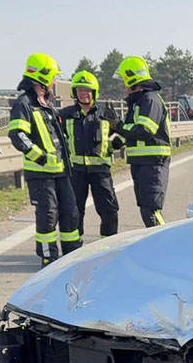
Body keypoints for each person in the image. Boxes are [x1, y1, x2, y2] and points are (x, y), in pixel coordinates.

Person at [8, 53, 81, 266]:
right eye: (53, 78)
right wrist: (40, 157)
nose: (55, 82)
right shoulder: (24, 104)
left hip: (60, 171)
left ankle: (72, 255)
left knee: (70, 212)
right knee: (48, 215)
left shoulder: (46, 104)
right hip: (41, 174)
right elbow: (17, 135)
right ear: (43, 78)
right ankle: (49, 258)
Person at [59, 71, 120, 238]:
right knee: (74, 211)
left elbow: (123, 131)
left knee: (109, 210)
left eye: (87, 90)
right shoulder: (65, 115)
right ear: (74, 92)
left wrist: (117, 142)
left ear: (94, 92)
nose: (83, 94)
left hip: (101, 171)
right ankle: (74, 248)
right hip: (76, 172)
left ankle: (107, 246)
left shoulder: (106, 113)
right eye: (80, 90)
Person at [113, 56, 171, 227]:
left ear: (132, 79)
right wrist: (117, 141)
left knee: (151, 211)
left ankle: (163, 245)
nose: (124, 86)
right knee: (146, 209)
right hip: (142, 163)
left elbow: (145, 131)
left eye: (124, 80)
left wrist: (118, 126)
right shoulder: (139, 101)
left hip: (153, 163)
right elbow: (132, 129)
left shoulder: (150, 100)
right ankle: (157, 246)